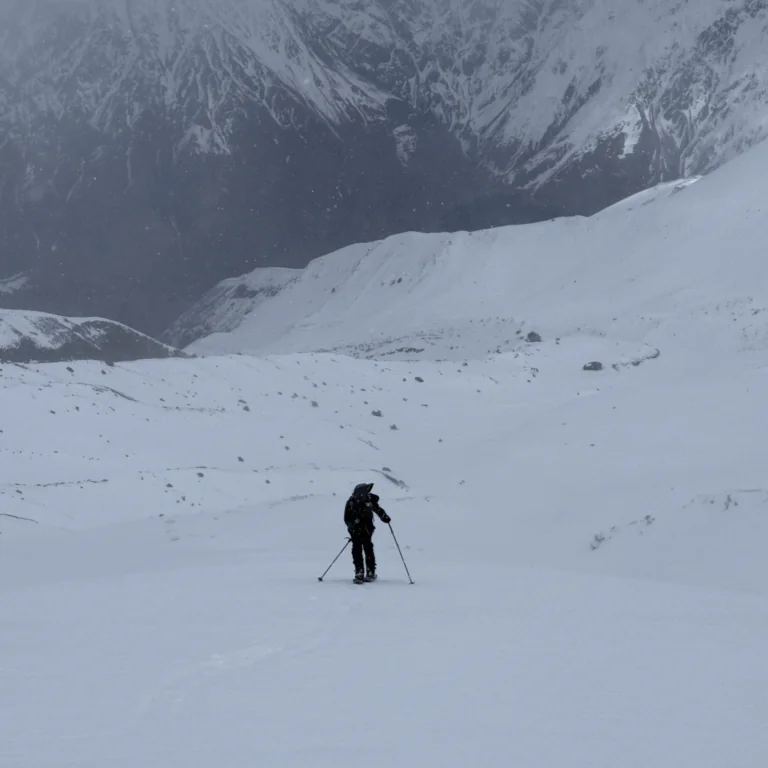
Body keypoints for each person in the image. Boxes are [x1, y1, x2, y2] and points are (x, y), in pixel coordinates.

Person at [344, 482, 391, 583]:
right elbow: (378, 510)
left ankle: (360, 573)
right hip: (363, 530)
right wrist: (384, 517)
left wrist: (384, 517)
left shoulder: (353, 502)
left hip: (361, 530)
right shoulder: (362, 501)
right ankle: (368, 573)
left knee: (359, 550)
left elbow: (347, 519)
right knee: (366, 549)